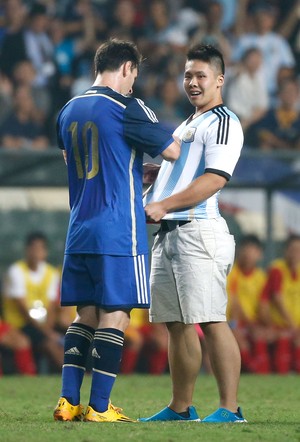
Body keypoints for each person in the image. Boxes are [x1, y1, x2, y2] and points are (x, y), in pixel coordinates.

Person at [53, 38, 180, 423]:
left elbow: (77, 161)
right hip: (118, 232)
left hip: (79, 229)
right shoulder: (127, 106)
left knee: (85, 314)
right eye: (134, 77)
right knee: (117, 314)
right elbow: (172, 151)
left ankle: (68, 402)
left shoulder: (67, 110)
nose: (133, 85)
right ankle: (100, 408)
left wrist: (129, 171)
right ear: (126, 68)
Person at [140, 44, 246, 423]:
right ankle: (181, 408)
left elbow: (215, 179)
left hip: (198, 230)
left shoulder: (222, 121)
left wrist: (164, 204)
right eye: (188, 75)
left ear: (219, 80)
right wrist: (158, 176)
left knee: (211, 319)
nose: (192, 82)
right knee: (176, 323)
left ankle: (231, 409)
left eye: (201, 75)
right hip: (170, 234)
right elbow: (186, 170)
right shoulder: (189, 122)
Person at [3, 232, 63, 372]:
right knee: (49, 343)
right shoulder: (16, 271)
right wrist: (48, 333)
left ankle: (77, 377)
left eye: (40, 249)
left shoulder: (51, 273)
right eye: (33, 248)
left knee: (57, 342)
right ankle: (79, 377)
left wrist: (49, 328)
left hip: (42, 325)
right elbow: (23, 309)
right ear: (27, 250)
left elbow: (52, 306)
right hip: (19, 324)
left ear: (46, 252)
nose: (37, 253)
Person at [227, 234, 271, 374]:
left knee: (262, 334)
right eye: (245, 250)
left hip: (251, 323)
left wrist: (266, 325)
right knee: (240, 337)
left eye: (253, 251)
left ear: (260, 255)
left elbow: (263, 306)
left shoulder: (261, 277)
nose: (248, 254)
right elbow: (234, 307)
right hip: (232, 322)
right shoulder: (232, 273)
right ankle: (254, 370)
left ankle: (264, 372)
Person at [260, 235, 300, 373]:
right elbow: (276, 299)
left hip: (294, 325)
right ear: (286, 251)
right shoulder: (277, 269)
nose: (296, 254)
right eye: (293, 249)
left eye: (299, 250)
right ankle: (281, 374)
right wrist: (293, 326)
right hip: (280, 325)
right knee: (285, 337)